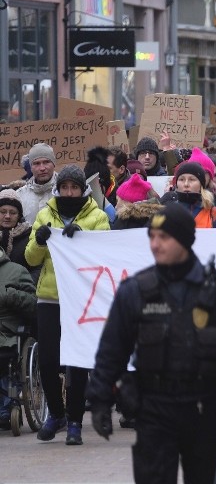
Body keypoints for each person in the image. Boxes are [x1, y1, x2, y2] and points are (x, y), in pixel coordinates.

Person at [86, 203, 216, 482]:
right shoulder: (135, 290)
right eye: (152, 237)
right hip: (153, 407)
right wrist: (100, 399)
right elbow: (111, 350)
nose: (156, 244)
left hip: (204, 405)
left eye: (164, 237)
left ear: (184, 240)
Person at [25, 164, 111, 444]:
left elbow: (105, 257)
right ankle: (56, 414)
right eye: (65, 187)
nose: (69, 192)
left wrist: (83, 242)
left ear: (83, 190)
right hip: (50, 298)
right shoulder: (44, 214)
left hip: (82, 300)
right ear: (58, 189)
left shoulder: (97, 217)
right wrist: (40, 242)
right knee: (49, 362)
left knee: (77, 363)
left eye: (74, 187)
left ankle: (75, 421)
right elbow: (31, 259)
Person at [0, 246, 36, 430]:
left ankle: (6, 408)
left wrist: (13, 296)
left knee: (5, 361)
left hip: (7, 333)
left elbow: (34, 303)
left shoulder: (16, 270)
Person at [161, 162, 216, 229]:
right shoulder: (166, 213)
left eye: (192, 179)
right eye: (181, 179)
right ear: (176, 184)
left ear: (201, 185)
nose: (186, 184)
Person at [18, 143, 58, 225]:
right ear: (31, 167)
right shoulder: (20, 196)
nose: (42, 168)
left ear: (54, 163)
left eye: (46, 162)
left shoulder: (66, 191)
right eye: (36, 163)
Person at [0, 189, 34, 275]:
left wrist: (25, 285)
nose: (7, 216)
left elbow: (36, 268)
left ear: (19, 215)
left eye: (13, 212)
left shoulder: (29, 236)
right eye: (3, 212)